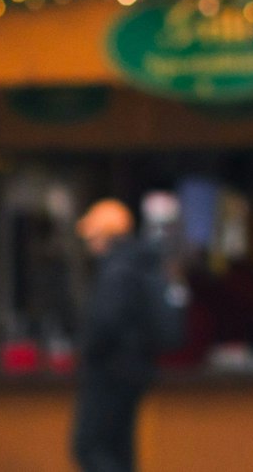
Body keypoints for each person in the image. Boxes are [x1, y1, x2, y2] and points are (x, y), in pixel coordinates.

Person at [71, 200, 183, 472]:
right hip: (135, 371)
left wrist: (87, 351)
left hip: (110, 372)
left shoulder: (117, 270)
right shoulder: (140, 264)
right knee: (119, 449)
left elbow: (105, 323)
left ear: (106, 235)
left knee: (90, 446)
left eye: (93, 236)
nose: (89, 243)